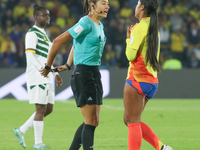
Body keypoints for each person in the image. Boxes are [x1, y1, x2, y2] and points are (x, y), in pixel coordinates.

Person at [40, 0, 110, 149]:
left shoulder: (99, 25)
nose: (107, 6)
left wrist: (67, 64)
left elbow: (76, 43)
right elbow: (57, 41)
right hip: (84, 74)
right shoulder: (85, 23)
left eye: (108, 3)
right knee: (90, 121)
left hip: (94, 73)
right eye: (103, 3)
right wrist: (47, 66)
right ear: (92, 5)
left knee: (93, 121)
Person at [123, 0, 173, 150]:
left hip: (137, 79)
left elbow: (130, 56)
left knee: (132, 122)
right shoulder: (154, 28)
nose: (135, 6)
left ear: (142, 7)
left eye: (137, 4)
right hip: (151, 81)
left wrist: (128, 39)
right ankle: (161, 147)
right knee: (129, 119)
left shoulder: (139, 28)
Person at [13, 5, 63, 149]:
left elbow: (48, 58)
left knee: (49, 108)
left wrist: (56, 73)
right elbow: (30, 55)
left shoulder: (44, 34)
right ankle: (38, 143)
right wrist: (42, 70)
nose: (47, 17)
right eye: (43, 15)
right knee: (40, 108)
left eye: (48, 15)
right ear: (36, 17)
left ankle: (21, 130)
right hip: (37, 75)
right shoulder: (32, 34)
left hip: (46, 74)